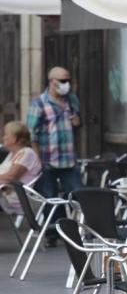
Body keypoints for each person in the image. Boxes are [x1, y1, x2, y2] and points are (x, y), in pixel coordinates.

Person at [26, 66, 82, 247]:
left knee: (77, 195)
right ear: (52, 81)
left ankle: (76, 231)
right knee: (50, 198)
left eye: (68, 80)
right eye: (63, 81)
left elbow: (77, 125)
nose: (67, 84)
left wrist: (77, 122)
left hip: (68, 159)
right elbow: (31, 133)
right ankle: (52, 234)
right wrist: (37, 158)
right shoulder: (39, 103)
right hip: (48, 159)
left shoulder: (72, 100)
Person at [0, 121, 42, 214]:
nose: (3, 137)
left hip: (15, 197)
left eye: (6, 134)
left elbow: (11, 177)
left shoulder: (27, 153)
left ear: (14, 138)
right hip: (5, 194)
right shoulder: (13, 153)